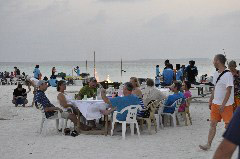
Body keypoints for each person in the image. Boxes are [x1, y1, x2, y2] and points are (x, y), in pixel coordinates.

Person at [199, 54, 234, 151]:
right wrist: (210, 100)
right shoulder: (216, 74)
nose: (213, 62)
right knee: (212, 124)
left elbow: (229, 90)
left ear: (218, 61)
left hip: (226, 105)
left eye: (214, 60)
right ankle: (208, 144)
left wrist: (223, 104)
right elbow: (215, 88)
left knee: (228, 127)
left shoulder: (228, 74)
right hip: (215, 103)